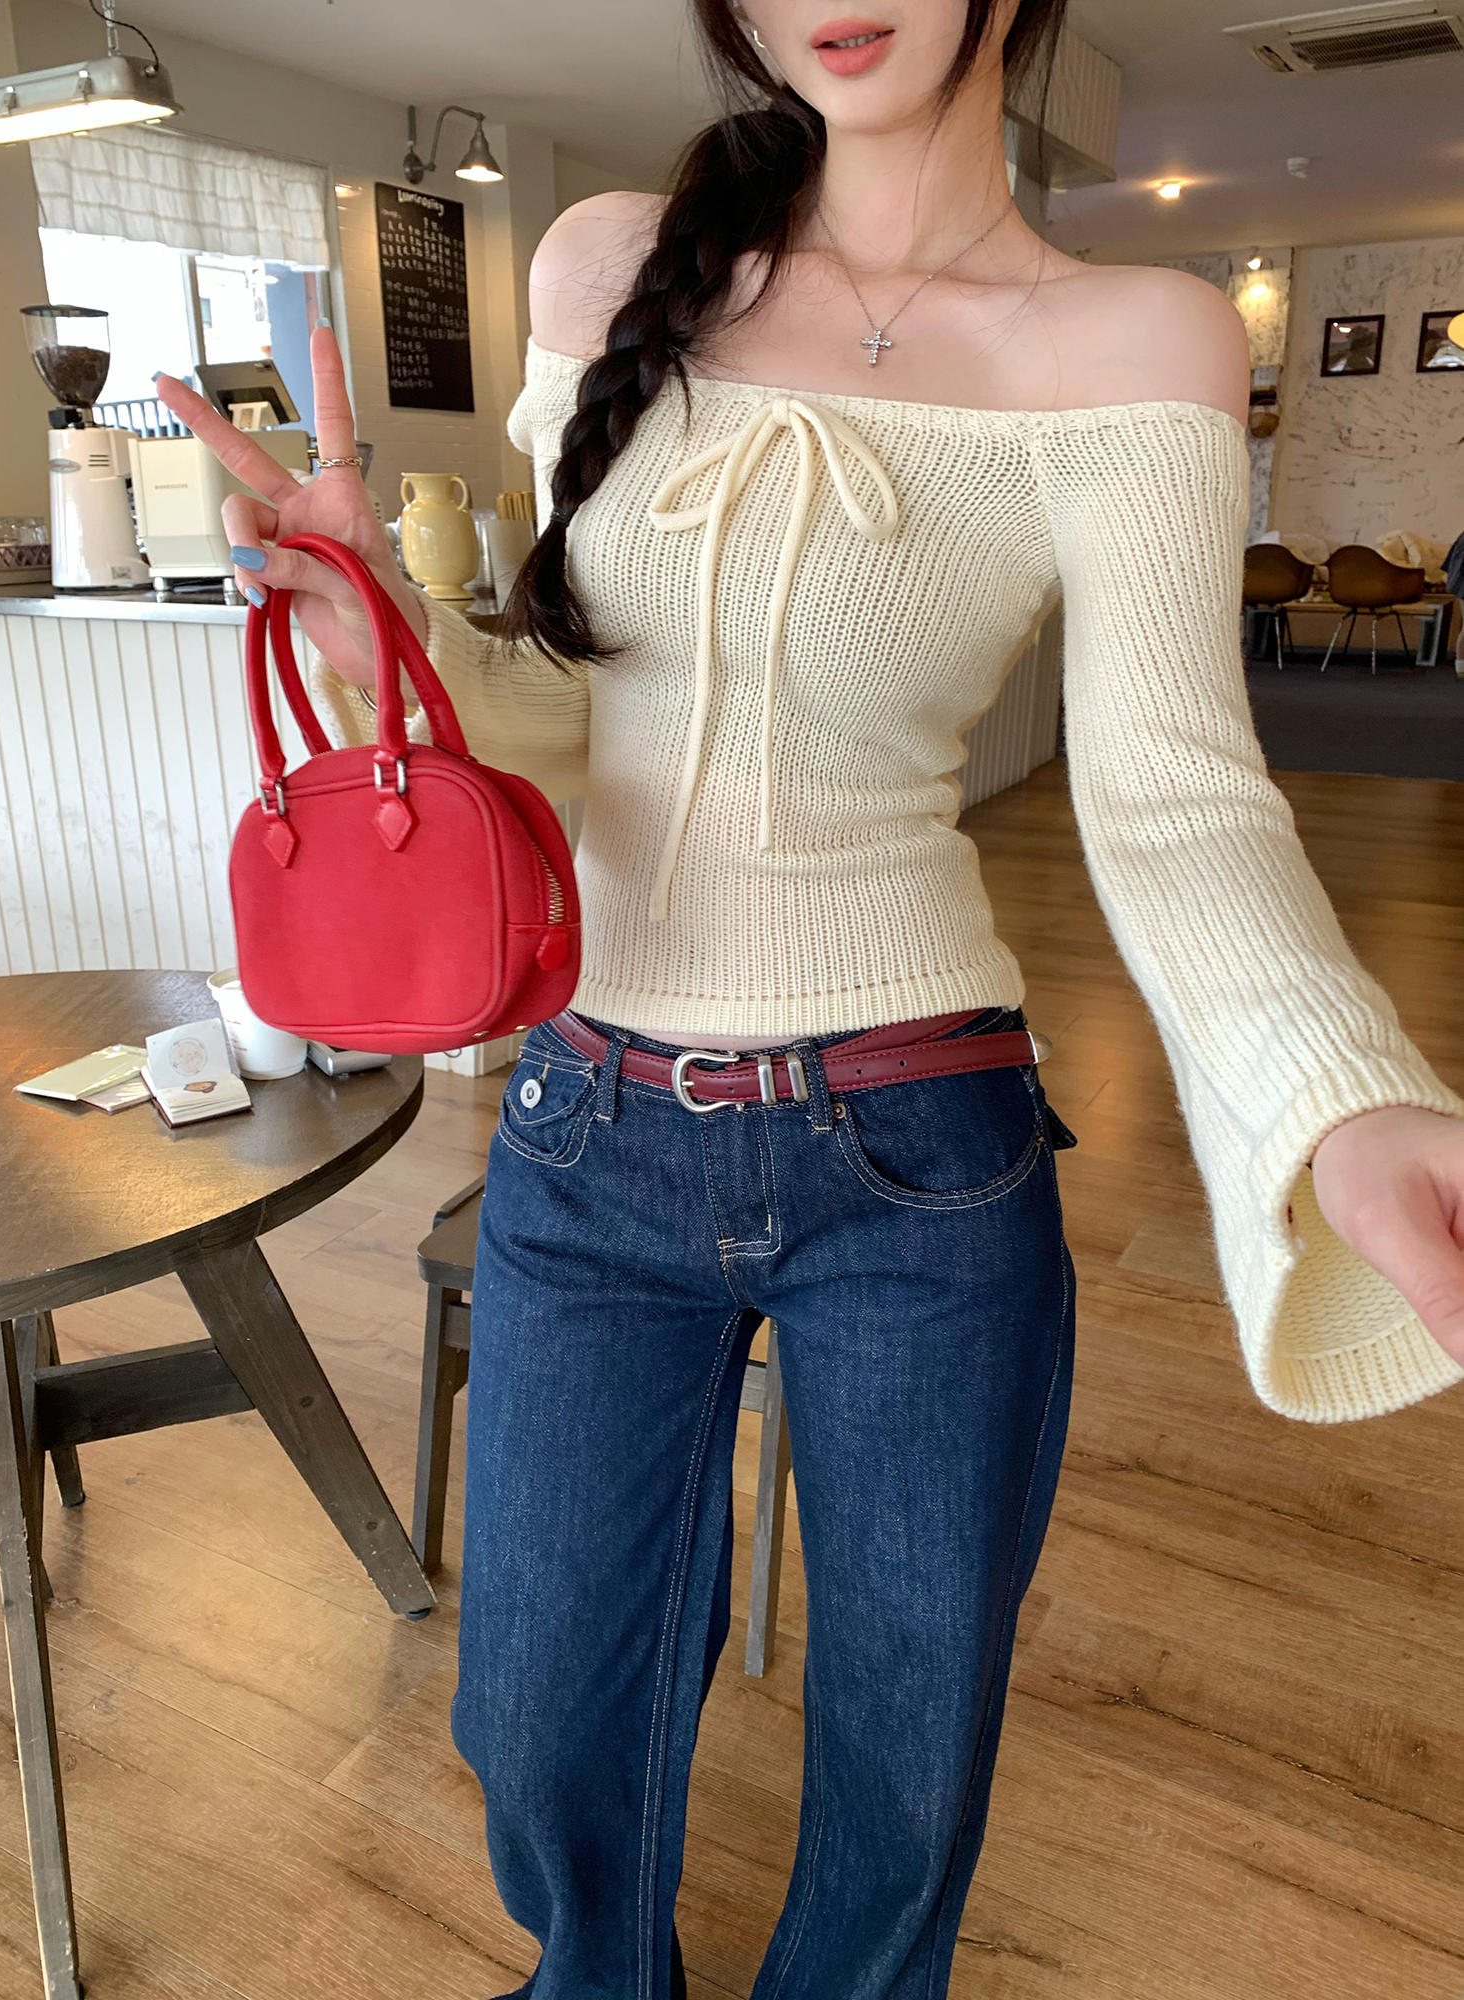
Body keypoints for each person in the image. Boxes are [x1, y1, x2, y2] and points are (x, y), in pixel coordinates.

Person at [158, 3, 1464, 1993]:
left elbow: (1175, 796)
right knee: (538, 1719)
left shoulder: (1135, 341)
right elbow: (572, 722)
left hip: (917, 1150)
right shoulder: (611, 264)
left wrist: (1344, 1093)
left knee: (905, 1758)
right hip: (589, 1127)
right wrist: (393, 635)